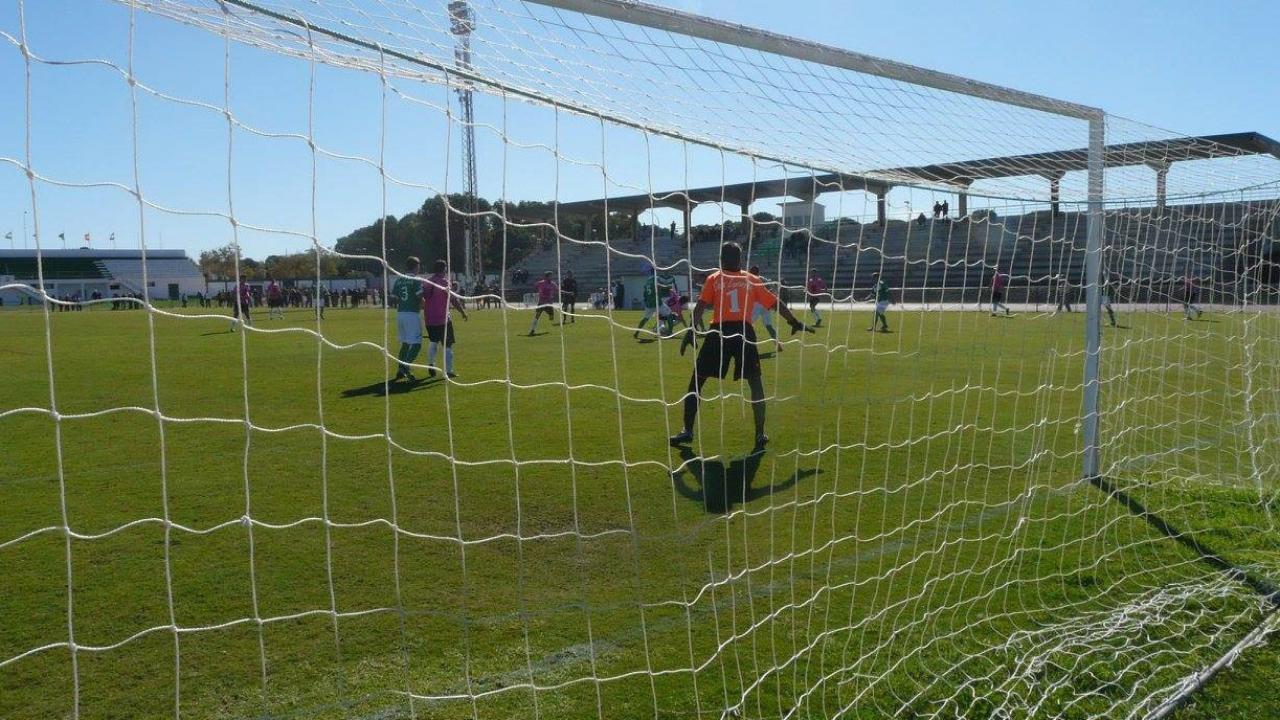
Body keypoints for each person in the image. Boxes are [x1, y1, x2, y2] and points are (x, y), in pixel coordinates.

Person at [669, 242, 809, 451]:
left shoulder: (714, 278)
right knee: (755, 384)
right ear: (740, 259)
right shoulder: (751, 279)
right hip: (743, 331)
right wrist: (793, 321)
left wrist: (691, 331)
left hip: (719, 332)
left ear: (721, 259)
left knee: (697, 382)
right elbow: (775, 302)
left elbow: (700, 307)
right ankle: (760, 434)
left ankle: (688, 430)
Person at [423, 259, 468, 378]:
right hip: (443, 319)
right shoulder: (444, 282)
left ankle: (431, 363)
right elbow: (453, 300)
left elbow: (423, 297)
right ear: (444, 269)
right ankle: (449, 370)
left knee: (433, 342)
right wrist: (462, 312)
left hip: (429, 319)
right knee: (447, 345)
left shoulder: (427, 282)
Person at [392, 257, 425, 381]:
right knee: (416, 344)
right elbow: (420, 297)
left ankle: (400, 368)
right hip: (412, 314)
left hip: (400, 314)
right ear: (416, 267)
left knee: (405, 343)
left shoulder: (399, 280)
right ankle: (406, 366)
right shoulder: (415, 280)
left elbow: (394, 298)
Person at [633, 267, 675, 338]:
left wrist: (646, 301)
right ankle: (670, 332)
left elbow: (645, 293)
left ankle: (637, 332)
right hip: (657, 302)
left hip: (649, 304)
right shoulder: (656, 278)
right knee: (669, 314)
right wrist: (668, 286)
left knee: (645, 318)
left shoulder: (648, 281)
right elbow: (659, 287)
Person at [748, 265, 781, 351]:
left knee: (748, 325)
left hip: (757, 305)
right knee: (769, 326)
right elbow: (774, 288)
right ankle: (778, 344)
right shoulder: (763, 279)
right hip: (766, 305)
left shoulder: (750, 279)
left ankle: (752, 345)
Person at [528, 271, 558, 335]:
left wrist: (567, 293)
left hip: (549, 303)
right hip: (541, 302)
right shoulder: (540, 283)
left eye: (552, 276)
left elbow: (558, 290)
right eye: (550, 276)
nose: (552, 277)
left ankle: (550, 316)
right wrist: (532, 293)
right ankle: (532, 330)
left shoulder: (553, 284)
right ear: (547, 276)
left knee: (551, 318)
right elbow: (534, 287)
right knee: (537, 316)